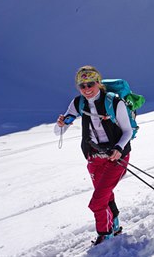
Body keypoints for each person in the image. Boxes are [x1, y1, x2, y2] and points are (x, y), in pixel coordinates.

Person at [55, 66, 133, 245]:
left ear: (99, 82)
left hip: (117, 157)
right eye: (82, 86)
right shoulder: (78, 103)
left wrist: (119, 148)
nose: (87, 89)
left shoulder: (114, 102)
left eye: (91, 84)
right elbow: (58, 129)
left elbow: (127, 131)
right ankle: (115, 225)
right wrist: (61, 124)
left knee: (97, 201)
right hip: (94, 158)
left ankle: (105, 235)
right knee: (105, 195)